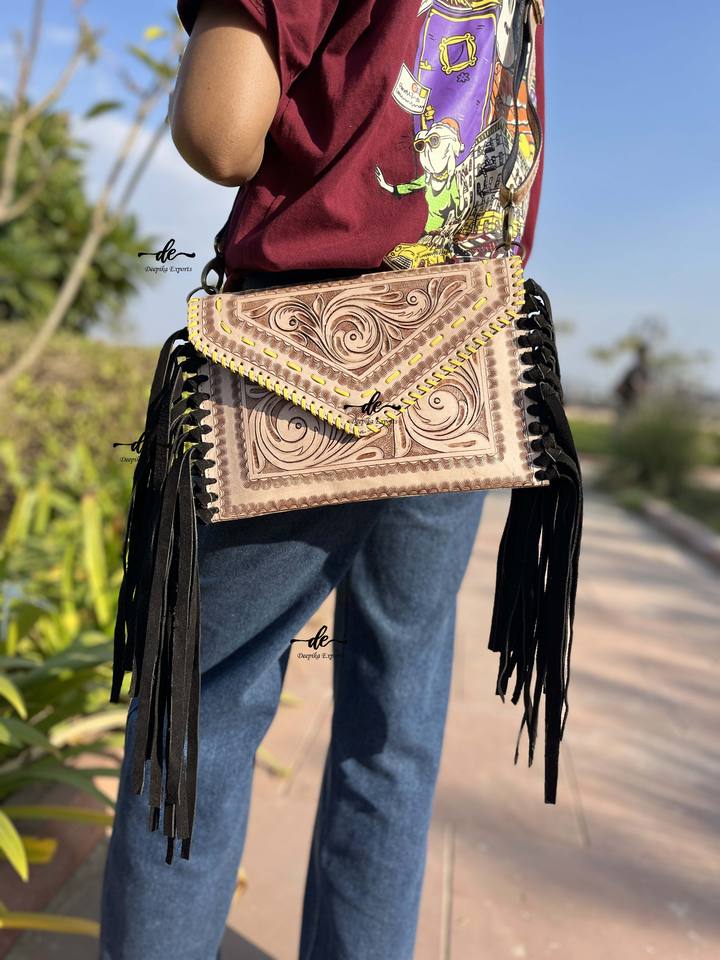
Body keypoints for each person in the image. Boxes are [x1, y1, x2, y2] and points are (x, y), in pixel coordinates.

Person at [99, 2, 546, 958]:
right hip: (460, 359)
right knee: (396, 723)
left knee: (199, 713)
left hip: (296, 359)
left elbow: (220, 132)